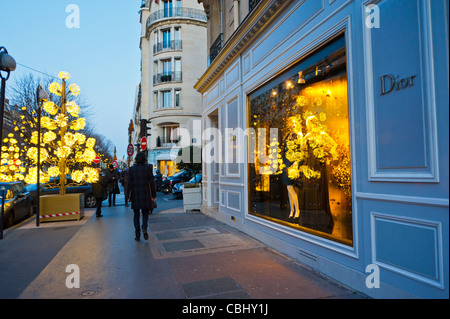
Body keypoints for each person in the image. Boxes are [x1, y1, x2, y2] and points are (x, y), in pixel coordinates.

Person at [127, 152, 157, 241]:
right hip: (146, 194)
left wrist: (128, 196)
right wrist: (154, 195)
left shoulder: (132, 169)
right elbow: (152, 183)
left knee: (136, 215)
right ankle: (144, 227)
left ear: (136, 159)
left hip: (135, 195)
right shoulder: (148, 169)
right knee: (145, 213)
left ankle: (137, 235)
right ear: (144, 159)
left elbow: (129, 184)